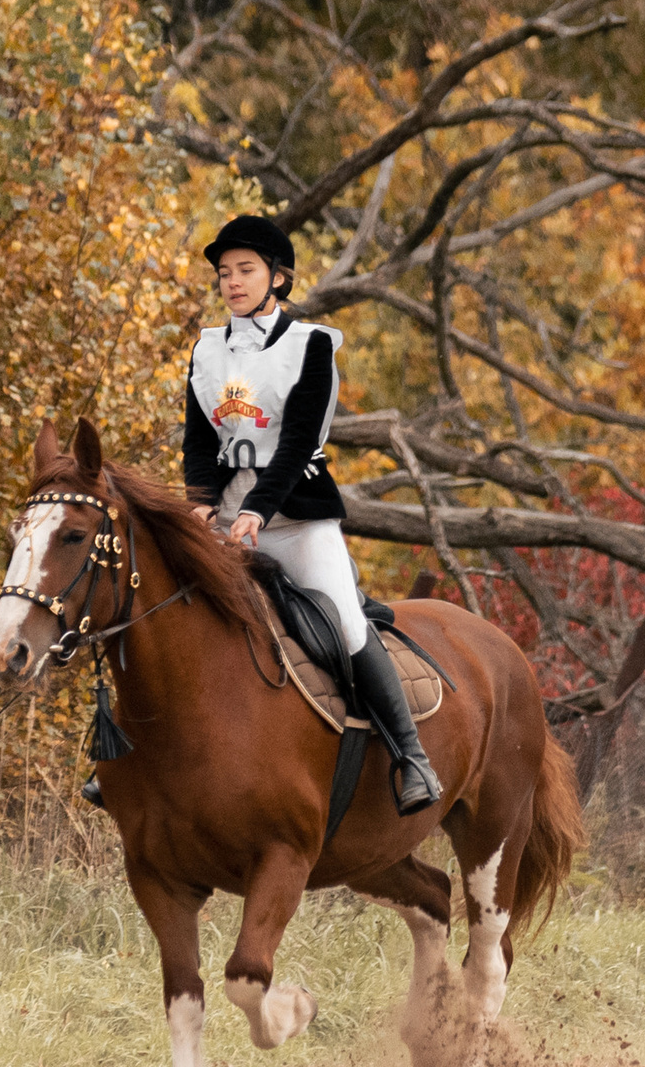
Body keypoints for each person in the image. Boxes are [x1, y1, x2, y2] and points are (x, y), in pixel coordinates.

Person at [80, 213, 441, 816]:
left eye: (245, 270)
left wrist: (256, 510)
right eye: (224, 273)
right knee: (167, 617)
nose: (233, 281)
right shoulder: (207, 349)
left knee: (347, 623)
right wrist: (200, 505)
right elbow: (201, 439)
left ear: (278, 277)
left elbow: (299, 443)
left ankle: (411, 759)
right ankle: (127, 756)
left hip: (298, 519)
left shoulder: (312, 346)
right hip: (226, 521)